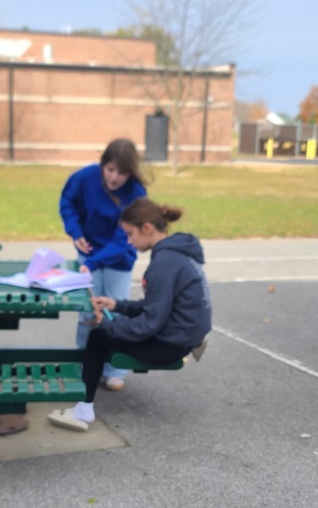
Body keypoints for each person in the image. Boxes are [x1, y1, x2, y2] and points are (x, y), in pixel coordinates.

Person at [48, 197, 212, 432]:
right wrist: (117, 306)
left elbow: (150, 322)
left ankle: (83, 412)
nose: (128, 241)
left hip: (171, 344)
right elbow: (157, 305)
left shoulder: (163, 263)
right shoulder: (176, 253)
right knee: (107, 331)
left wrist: (106, 324)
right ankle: (192, 338)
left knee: (97, 338)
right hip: (184, 333)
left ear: (146, 228)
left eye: (130, 234)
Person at [59, 138, 147, 391]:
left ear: (131, 172)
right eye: (110, 169)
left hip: (118, 259)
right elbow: (68, 203)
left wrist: (95, 261)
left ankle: (114, 370)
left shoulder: (136, 193)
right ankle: (84, 364)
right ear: (103, 165)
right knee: (88, 312)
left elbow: (124, 239)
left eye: (122, 172)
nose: (115, 177)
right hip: (88, 253)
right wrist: (75, 231)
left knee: (115, 311)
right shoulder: (84, 177)